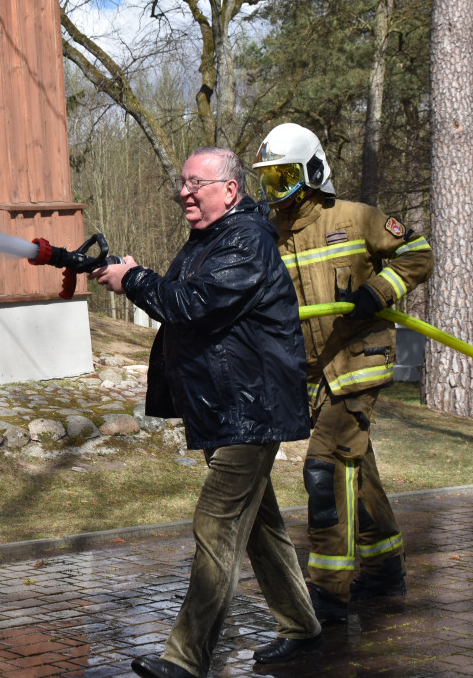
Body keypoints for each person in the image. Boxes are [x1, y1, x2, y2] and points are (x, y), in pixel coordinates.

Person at [90, 146, 323, 678]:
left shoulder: (245, 241)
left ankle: (186, 658)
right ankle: (302, 625)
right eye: (182, 183)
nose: (184, 193)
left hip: (251, 409)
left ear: (230, 190)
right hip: (224, 407)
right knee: (258, 525)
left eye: (196, 184)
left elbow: (190, 305)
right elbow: (183, 298)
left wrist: (134, 280)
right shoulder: (209, 240)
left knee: (216, 522)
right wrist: (133, 274)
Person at [252, 124, 434, 622]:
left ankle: (329, 591)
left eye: (284, 177)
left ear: (313, 172)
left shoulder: (357, 217)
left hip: (358, 362)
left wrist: (379, 291)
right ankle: (385, 566)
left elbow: (418, 254)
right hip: (314, 373)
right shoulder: (269, 234)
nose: (276, 190)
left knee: (324, 469)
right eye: (268, 179)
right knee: (356, 467)